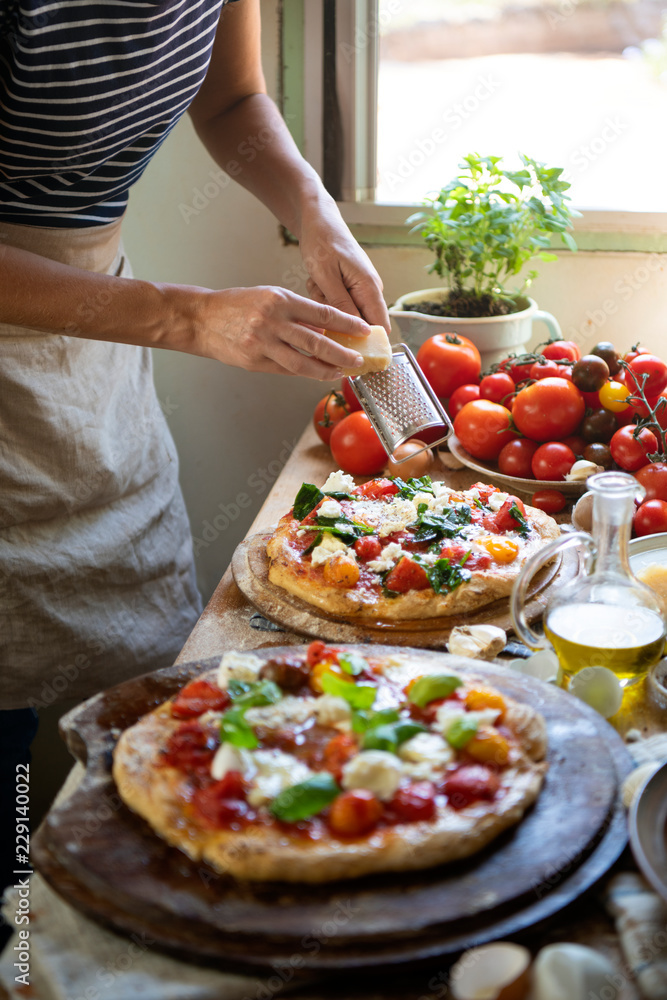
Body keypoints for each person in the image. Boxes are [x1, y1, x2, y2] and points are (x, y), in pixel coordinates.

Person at [0, 0, 390, 929]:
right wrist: (182, 316)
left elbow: (231, 99)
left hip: (88, 340)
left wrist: (315, 211)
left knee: (144, 706)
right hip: (91, 306)